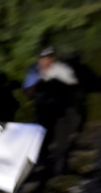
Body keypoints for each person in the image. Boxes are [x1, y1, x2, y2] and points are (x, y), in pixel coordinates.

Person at [22, 46, 79, 175]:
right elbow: (27, 91)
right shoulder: (33, 71)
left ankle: (61, 168)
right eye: (42, 58)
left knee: (61, 141)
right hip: (42, 111)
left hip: (60, 111)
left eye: (47, 58)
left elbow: (73, 88)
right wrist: (36, 83)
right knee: (41, 140)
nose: (44, 61)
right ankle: (43, 166)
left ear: (52, 59)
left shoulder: (62, 69)